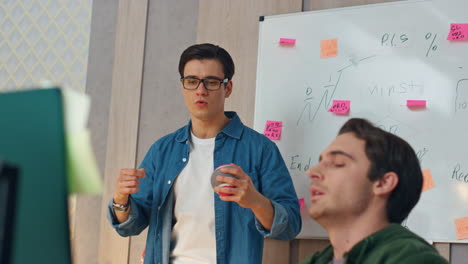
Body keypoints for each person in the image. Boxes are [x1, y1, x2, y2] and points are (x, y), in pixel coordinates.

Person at [108, 43, 301, 264]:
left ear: (227, 88)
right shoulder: (162, 150)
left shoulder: (260, 149)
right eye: (191, 81)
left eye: (211, 82)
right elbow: (130, 225)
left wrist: (255, 201)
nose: (201, 90)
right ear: (183, 87)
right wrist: (121, 200)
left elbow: (290, 226)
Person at [300, 118, 448, 264]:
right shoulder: (316, 260)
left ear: (383, 183)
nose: (312, 172)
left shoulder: (414, 259)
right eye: (320, 162)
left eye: (338, 163)